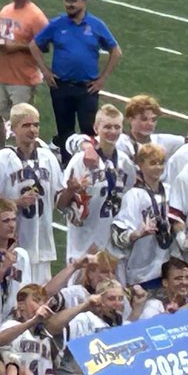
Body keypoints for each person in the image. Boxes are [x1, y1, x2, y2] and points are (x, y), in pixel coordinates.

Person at [29, 0, 122, 161]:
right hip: (61, 86)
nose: (69, 4)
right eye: (66, 0)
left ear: (83, 2)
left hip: (87, 88)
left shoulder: (96, 25)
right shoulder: (57, 24)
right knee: (65, 130)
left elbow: (116, 51)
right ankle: (67, 164)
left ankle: (92, 163)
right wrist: (46, 72)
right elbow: (34, 45)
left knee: (89, 129)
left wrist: (102, 79)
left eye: (73, 0)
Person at [0, 103, 63, 282]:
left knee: (39, 298)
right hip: (12, 246)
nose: (33, 130)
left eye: (36, 125)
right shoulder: (1, 160)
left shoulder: (49, 158)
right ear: (14, 129)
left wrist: (73, 191)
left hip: (42, 243)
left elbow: (59, 198)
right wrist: (15, 203)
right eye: (26, 125)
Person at [56, 104, 137, 263]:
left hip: (114, 248)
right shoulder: (80, 160)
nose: (112, 132)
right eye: (107, 127)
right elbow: (60, 205)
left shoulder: (125, 162)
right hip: (83, 245)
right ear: (96, 127)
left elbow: (128, 196)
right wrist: (71, 191)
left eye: (116, 127)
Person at [0, 0, 48, 150]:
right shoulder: (5, 10)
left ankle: (24, 151)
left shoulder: (36, 16)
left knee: (24, 120)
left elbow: (44, 46)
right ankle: (1, 149)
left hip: (23, 78)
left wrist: (18, 47)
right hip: (1, 74)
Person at [111, 144, 174, 290]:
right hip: (142, 272)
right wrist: (137, 234)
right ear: (140, 165)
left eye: (160, 163)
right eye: (152, 163)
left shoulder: (170, 191)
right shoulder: (134, 195)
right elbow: (118, 233)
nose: (158, 167)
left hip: (167, 268)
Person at [0, 199, 33, 325]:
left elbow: (26, 290)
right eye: (6, 221)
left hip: (13, 322)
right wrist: (3, 268)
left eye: (13, 219)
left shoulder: (21, 255)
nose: (12, 225)